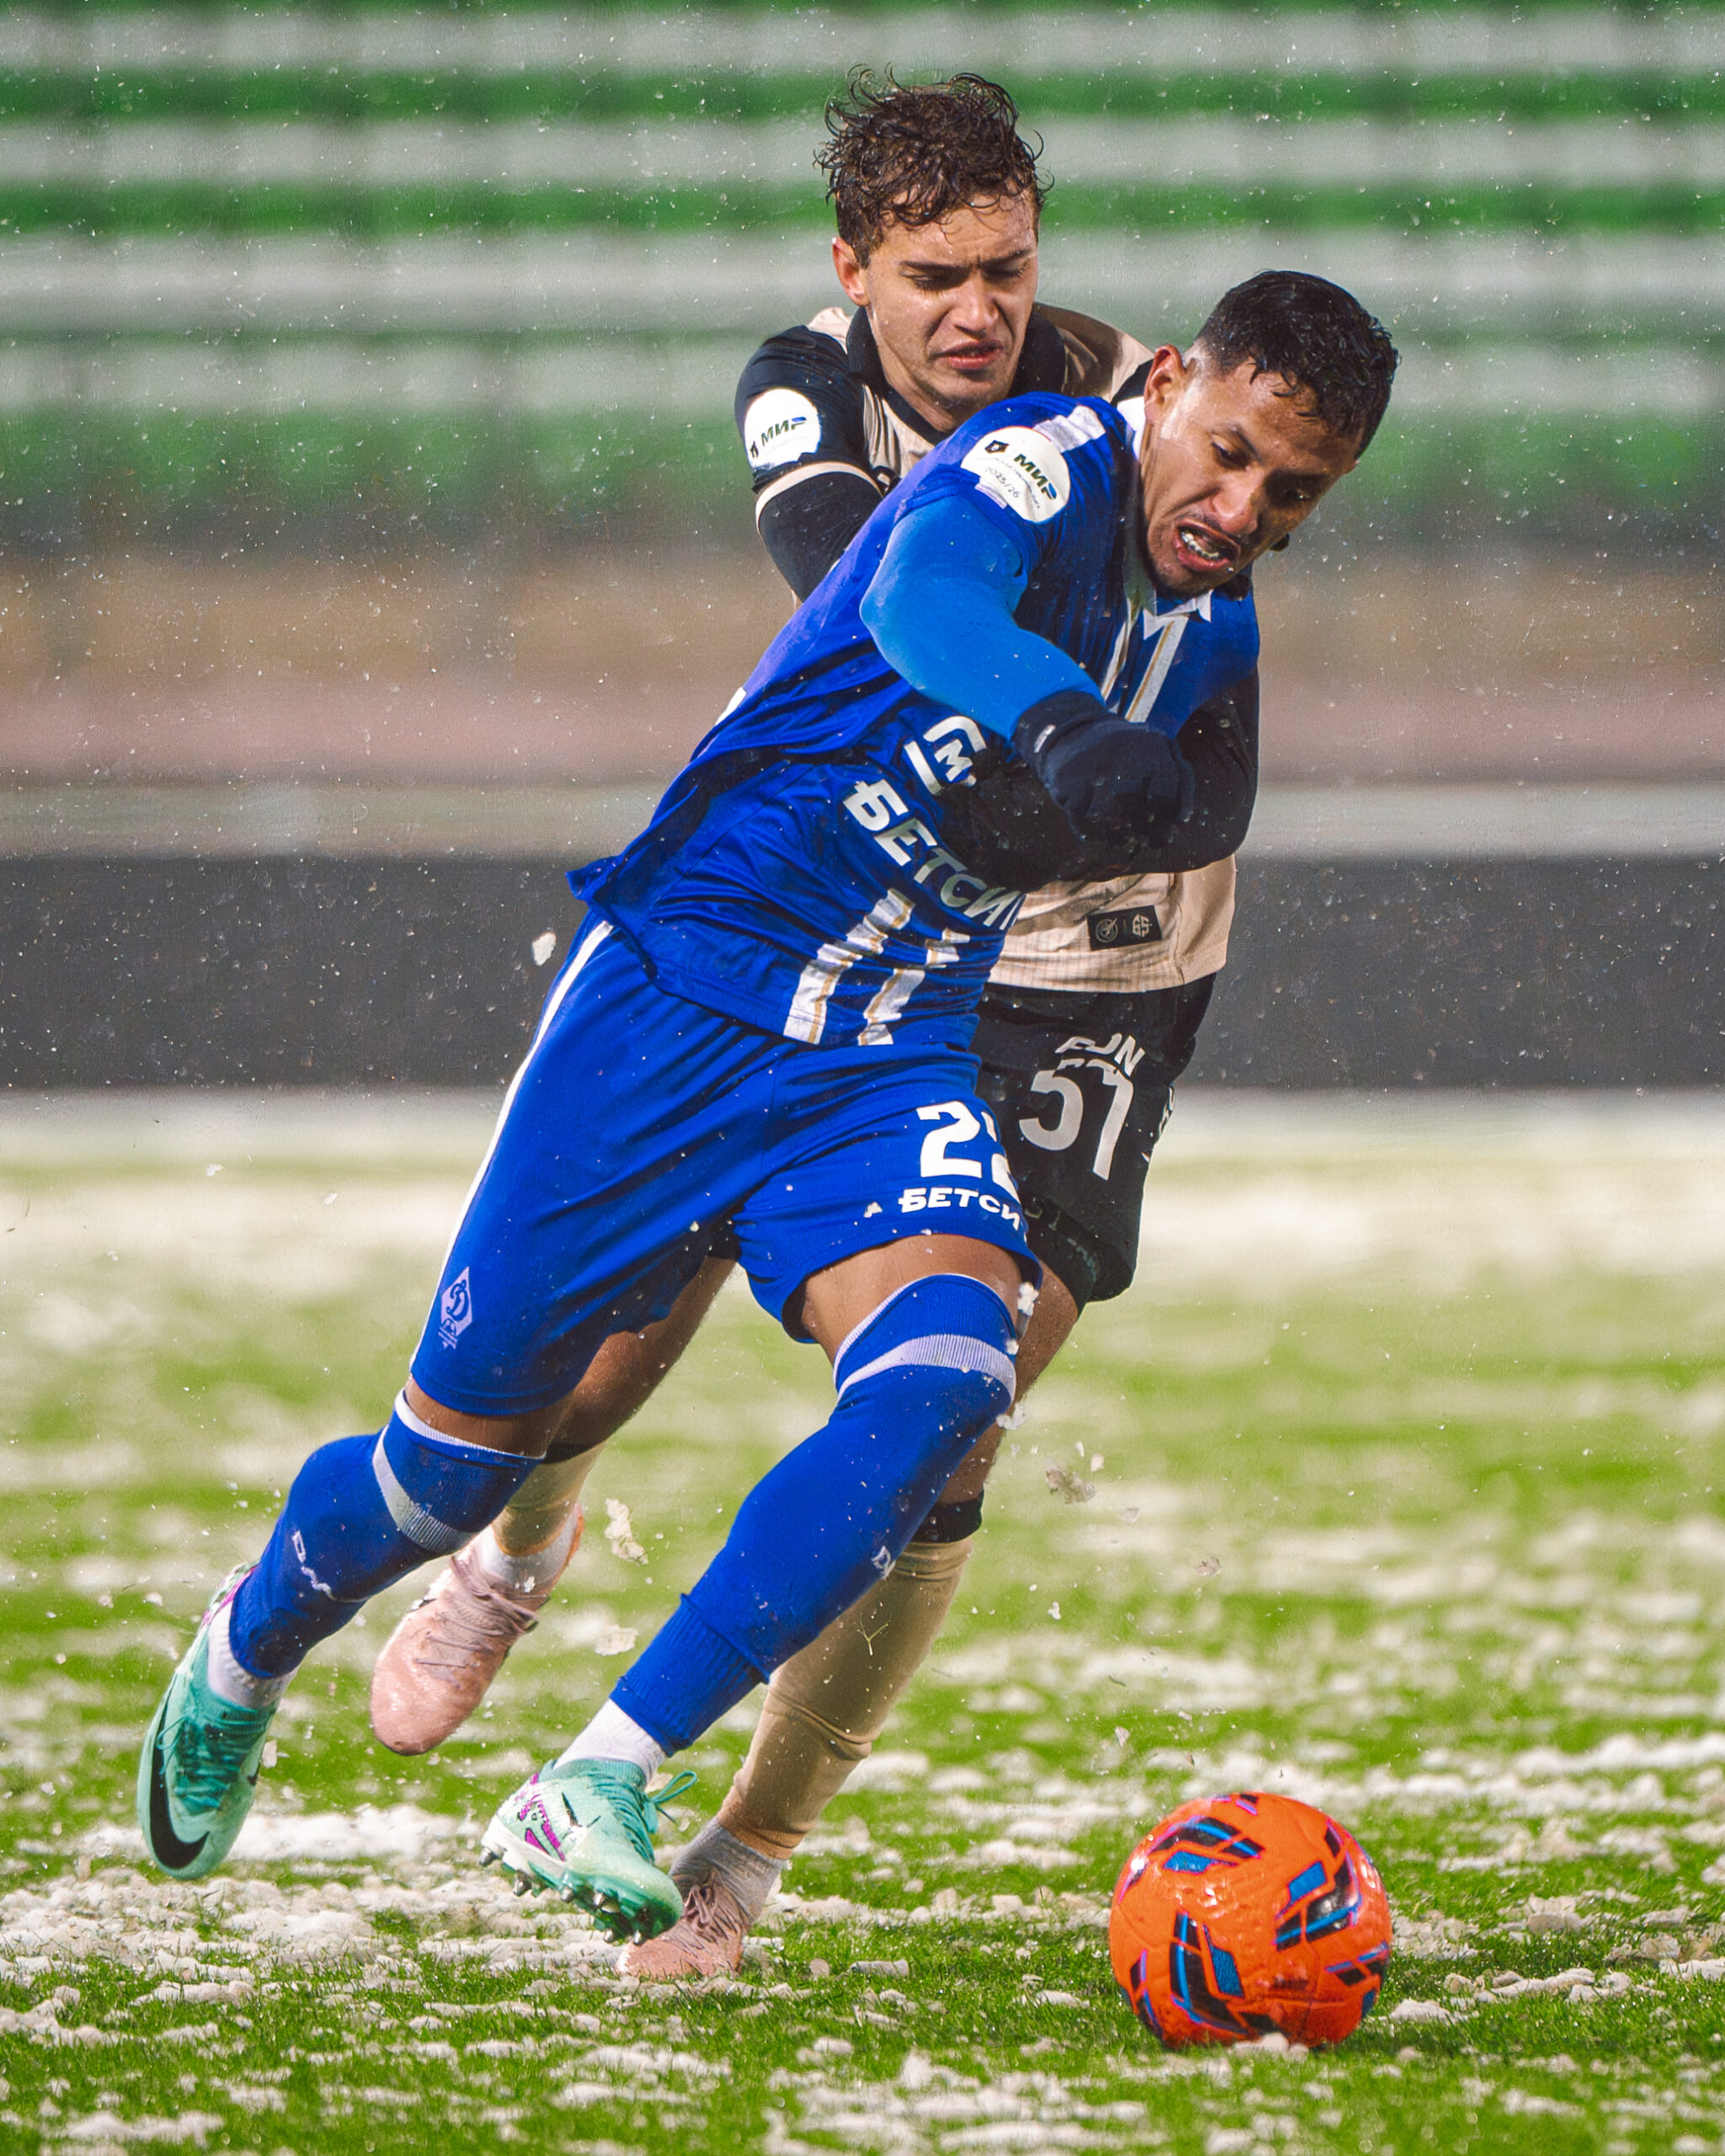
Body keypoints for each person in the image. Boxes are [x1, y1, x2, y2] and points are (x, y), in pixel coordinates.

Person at [363, 78, 1387, 1975]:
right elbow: (869, 582)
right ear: (855, 275)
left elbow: (1208, 660)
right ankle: (517, 1548)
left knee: (947, 1424)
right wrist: (1041, 713)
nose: (978, 311)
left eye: (1008, 269)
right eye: (934, 278)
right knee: (622, 1306)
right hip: (872, 881)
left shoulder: (1145, 403)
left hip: (1095, 941)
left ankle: (739, 1859)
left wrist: (1118, 768)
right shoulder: (810, 395)